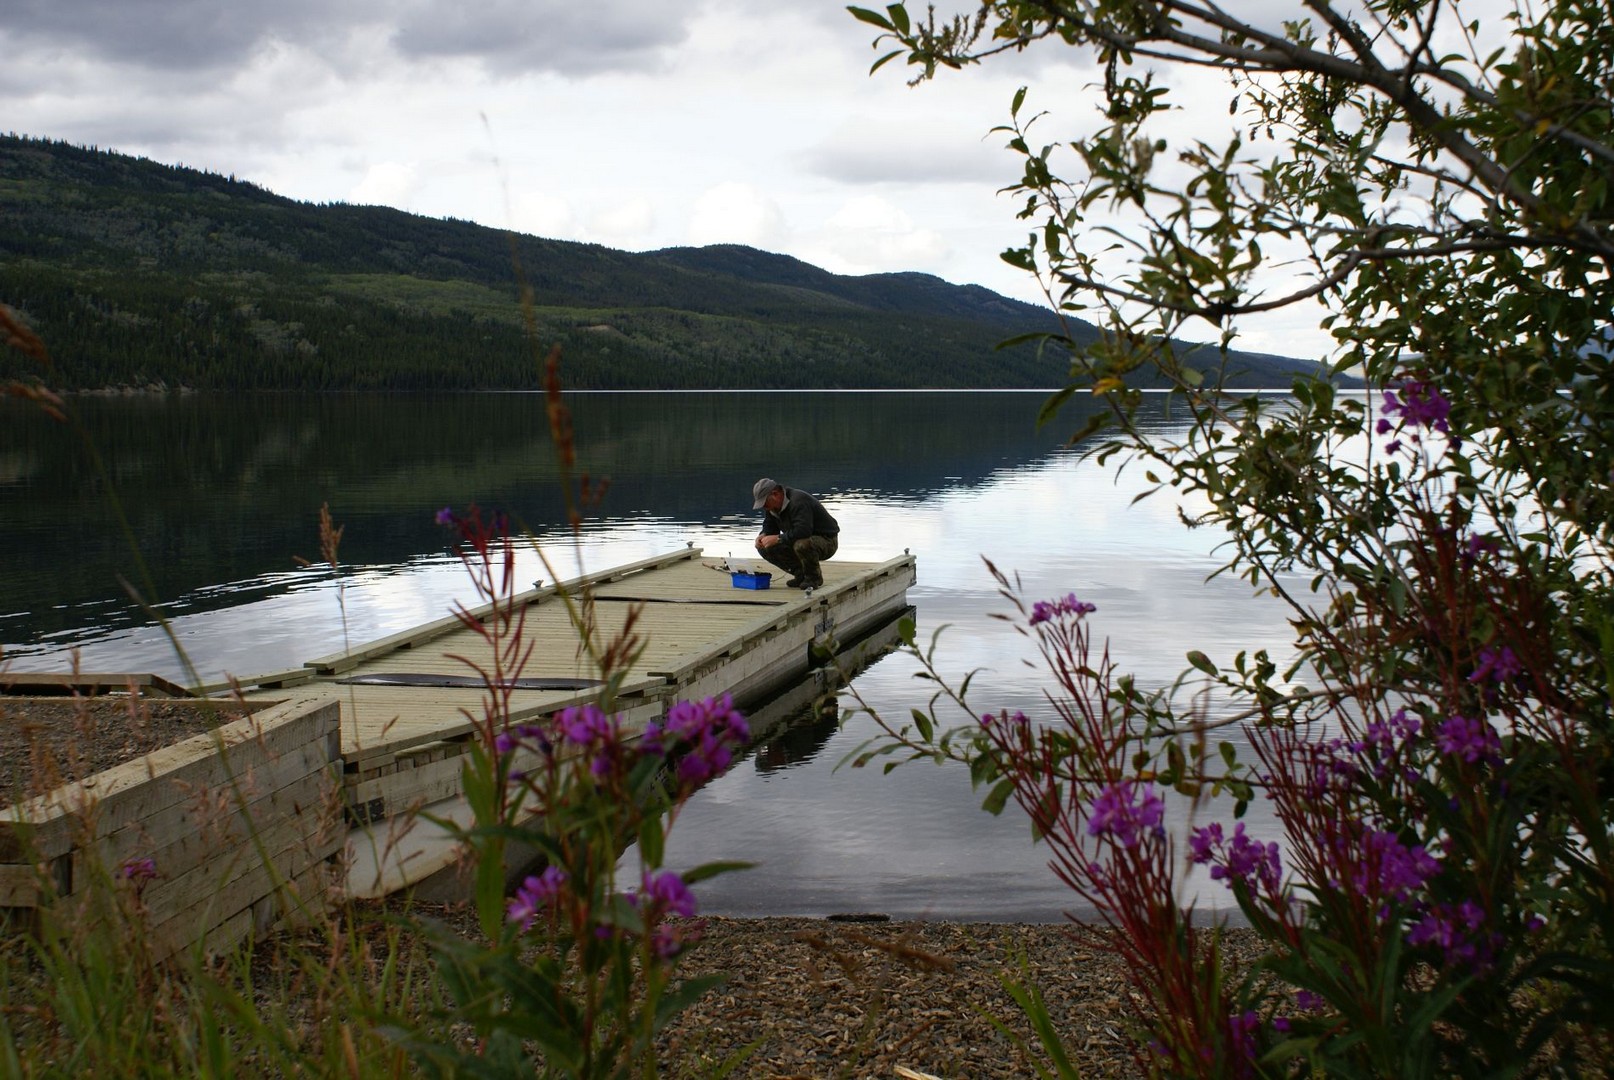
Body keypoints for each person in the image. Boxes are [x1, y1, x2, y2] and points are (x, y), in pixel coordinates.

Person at [751, 477, 839, 589]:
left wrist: (778, 538)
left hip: (827, 540)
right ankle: (800, 574)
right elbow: (770, 525)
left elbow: (803, 531)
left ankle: (813, 578)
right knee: (764, 547)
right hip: (799, 538)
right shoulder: (772, 507)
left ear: (775, 494)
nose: (764, 507)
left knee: (801, 544)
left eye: (764, 502)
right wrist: (763, 535)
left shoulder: (798, 501)